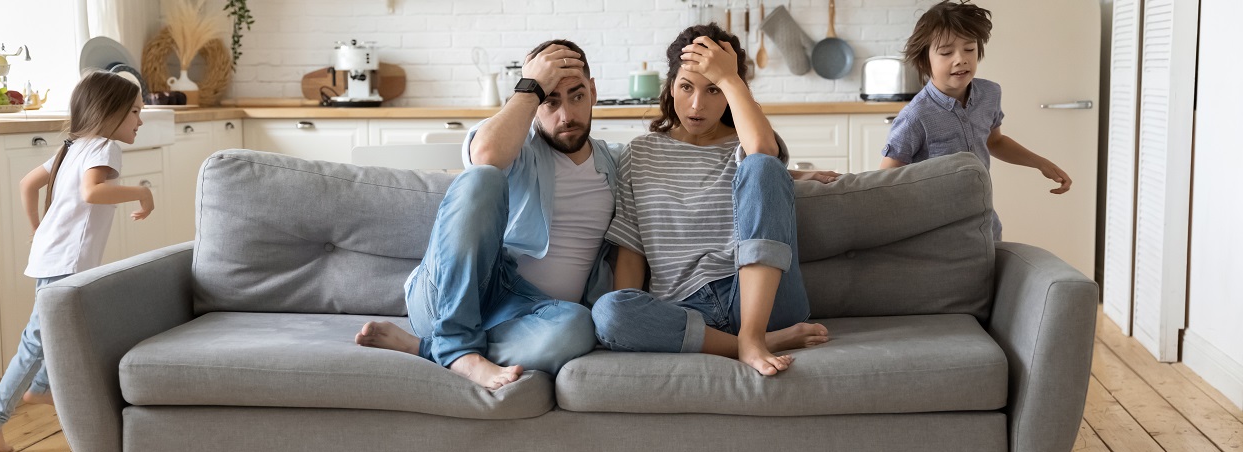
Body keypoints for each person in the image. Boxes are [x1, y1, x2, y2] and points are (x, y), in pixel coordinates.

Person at [355, 39, 622, 390]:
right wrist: (531, 88)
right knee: (482, 177)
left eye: (577, 96)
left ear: (593, 92)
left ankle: (429, 349)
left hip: (528, 316)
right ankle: (456, 345)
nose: (566, 116)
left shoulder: (616, 163)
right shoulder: (516, 148)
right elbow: (485, 155)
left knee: (579, 328)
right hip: (451, 297)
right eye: (550, 101)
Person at [591, 24, 832, 377]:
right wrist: (635, 312)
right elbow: (631, 252)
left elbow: (763, 156)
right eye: (686, 87)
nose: (697, 105)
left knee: (763, 166)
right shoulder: (639, 154)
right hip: (686, 311)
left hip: (761, 298)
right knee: (608, 312)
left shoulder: (747, 143)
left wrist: (731, 77)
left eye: (714, 89)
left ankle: (753, 334)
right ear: (671, 85)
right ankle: (761, 342)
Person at [0, 70, 153, 452]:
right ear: (111, 112)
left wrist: (37, 228)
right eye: (135, 112)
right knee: (36, 339)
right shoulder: (105, 148)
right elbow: (93, 193)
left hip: (54, 254)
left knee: (63, 329)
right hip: (66, 261)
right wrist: (142, 193)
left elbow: (27, 184)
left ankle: (40, 389)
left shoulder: (71, 147)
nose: (141, 120)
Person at [879, 0, 1071, 240]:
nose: (961, 59)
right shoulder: (916, 116)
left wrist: (1041, 163)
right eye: (947, 52)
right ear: (924, 59)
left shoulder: (990, 94)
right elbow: (887, 178)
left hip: (984, 222)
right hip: (935, 232)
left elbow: (995, 141)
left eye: (969, 49)